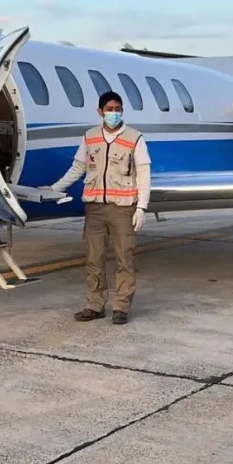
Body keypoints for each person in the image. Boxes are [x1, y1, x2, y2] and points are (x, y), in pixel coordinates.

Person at [44, 91, 151, 325]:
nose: (114, 113)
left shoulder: (135, 138)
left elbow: (143, 173)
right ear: (100, 111)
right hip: (95, 209)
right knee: (94, 259)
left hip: (122, 209)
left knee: (125, 258)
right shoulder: (90, 136)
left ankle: (121, 306)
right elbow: (78, 167)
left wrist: (141, 207)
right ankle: (95, 305)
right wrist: (55, 188)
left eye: (118, 109)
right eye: (109, 109)